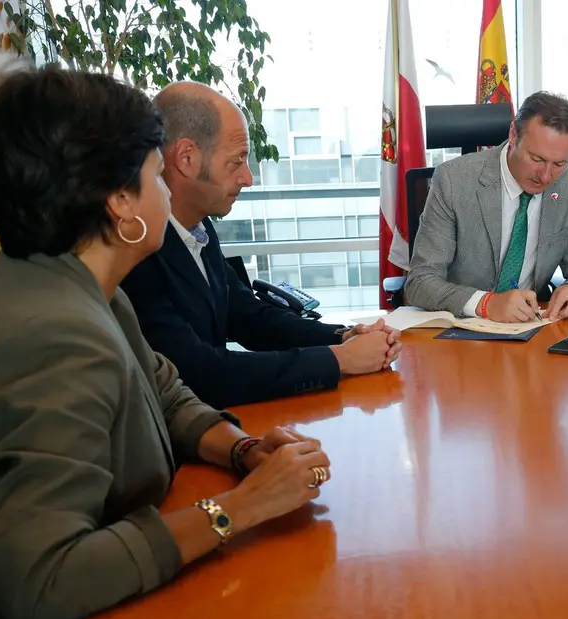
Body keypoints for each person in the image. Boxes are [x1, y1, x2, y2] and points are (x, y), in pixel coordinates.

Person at [0, 67, 334, 619]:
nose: (164, 190)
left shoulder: (73, 287)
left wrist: (241, 451)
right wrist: (237, 510)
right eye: (156, 175)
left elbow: (166, 392)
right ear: (118, 201)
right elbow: (43, 584)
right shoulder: (56, 338)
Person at [120, 81, 401, 410]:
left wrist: (341, 337)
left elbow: (248, 316)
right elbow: (202, 374)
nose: (248, 178)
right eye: (236, 161)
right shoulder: (137, 253)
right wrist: (339, 360)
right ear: (186, 157)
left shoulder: (196, 228)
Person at [404, 91, 568, 323]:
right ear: (513, 135)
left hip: (531, 328)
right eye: (536, 159)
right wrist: (487, 304)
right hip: (461, 330)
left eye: (559, 163)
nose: (546, 176)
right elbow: (420, 281)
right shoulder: (453, 180)